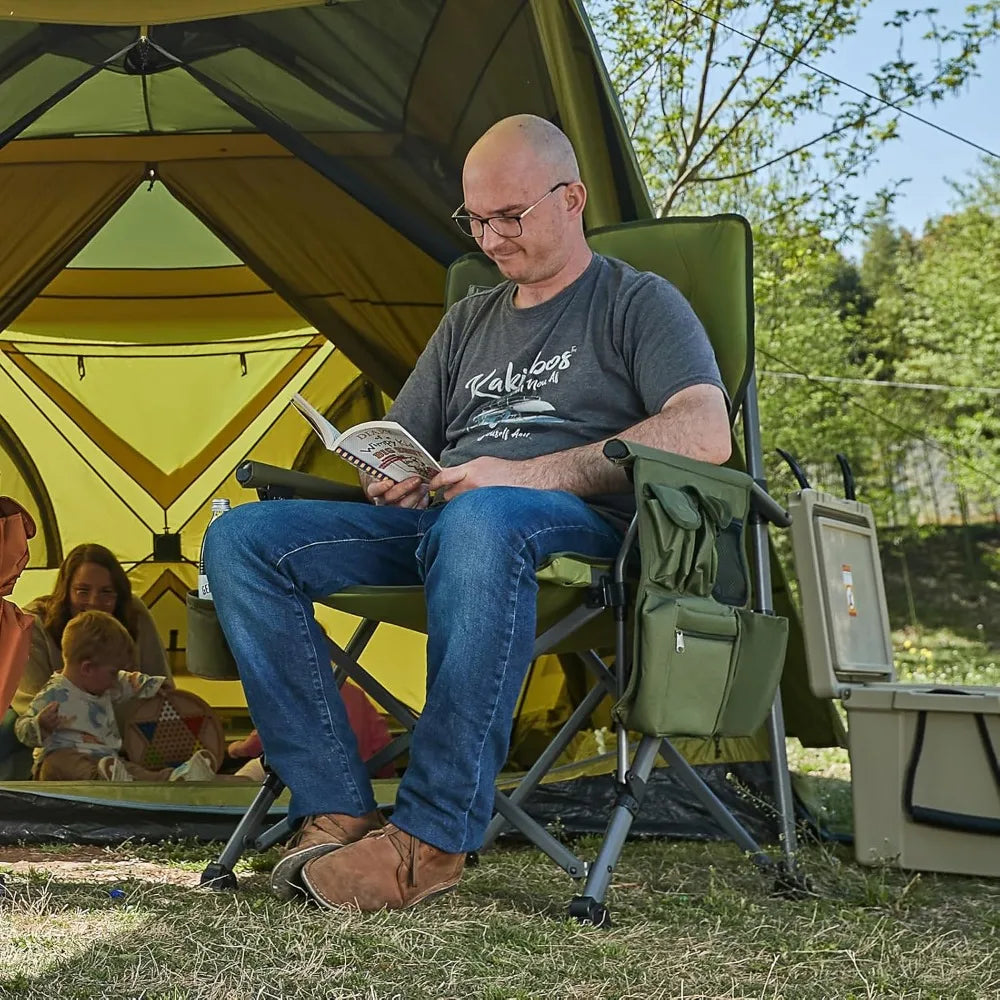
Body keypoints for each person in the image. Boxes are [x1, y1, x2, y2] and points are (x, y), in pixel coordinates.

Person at [205, 114, 731, 911]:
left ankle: (430, 843)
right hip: (444, 526)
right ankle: (338, 807)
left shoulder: (637, 303)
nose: (490, 238)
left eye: (509, 216)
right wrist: (393, 473)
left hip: (574, 536)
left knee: (484, 519)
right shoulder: (470, 319)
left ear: (572, 198)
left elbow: (705, 431)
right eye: (474, 220)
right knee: (240, 539)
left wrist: (524, 474)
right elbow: (408, 440)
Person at [0, 543, 171, 779]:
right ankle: (101, 777)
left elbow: (160, 690)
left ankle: (174, 778)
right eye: (82, 591)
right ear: (65, 592)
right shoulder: (35, 627)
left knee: (138, 771)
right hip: (63, 749)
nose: (94, 602)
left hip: (119, 747)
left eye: (106, 593)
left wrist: (154, 691)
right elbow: (29, 710)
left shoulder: (133, 615)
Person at [14, 609, 215, 782]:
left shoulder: (106, 684)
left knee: (131, 768)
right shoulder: (55, 694)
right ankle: (103, 779)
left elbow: (131, 680)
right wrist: (40, 724)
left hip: (106, 761)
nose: (115, 679)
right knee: (59, 762)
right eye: (113, 672)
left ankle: (175, 778)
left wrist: (157, 686)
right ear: (87, 668)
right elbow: (21, 727)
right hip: (61, 762)